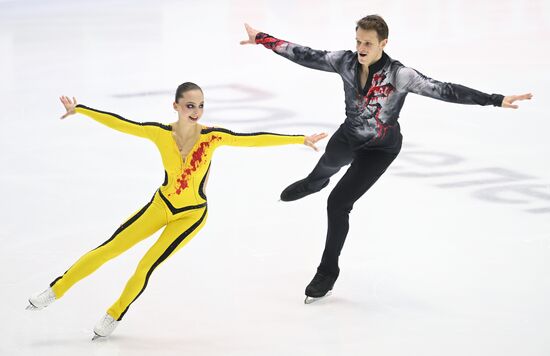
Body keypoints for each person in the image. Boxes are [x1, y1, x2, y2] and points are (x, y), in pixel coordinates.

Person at [240, 15, 533, 303]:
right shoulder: (345, 61)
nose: (361, 48)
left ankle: (327, 272)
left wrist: (495, 98)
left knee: (338, 203)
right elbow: (304, 54)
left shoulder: (399, 75)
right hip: (349, 135)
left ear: (383, 43)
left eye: (368, 43)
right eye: (358, 41)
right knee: (325, 167)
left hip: (380, 150)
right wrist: (262, 39)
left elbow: (445, 90)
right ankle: (314, 183)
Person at [25, 82, 327, 339]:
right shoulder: (159, 133)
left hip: (190, 216)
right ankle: (55, 290)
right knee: (109, 248)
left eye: (201, 106)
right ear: (176, 105)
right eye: (190, 105)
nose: (195, 111)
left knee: (145, 266)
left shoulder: (212, 137)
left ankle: (114, 314)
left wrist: (298, 138)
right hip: (160, 205)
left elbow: (252, 140)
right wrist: (82, 110)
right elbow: (123, 123)